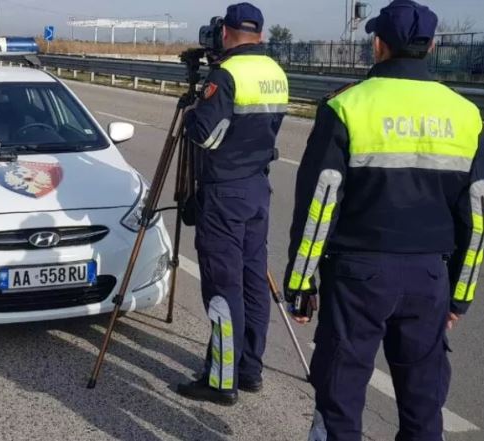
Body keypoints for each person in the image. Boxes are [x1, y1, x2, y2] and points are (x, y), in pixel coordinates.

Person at [282, 1, 484, 439]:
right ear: (430, 46)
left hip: (358, 277)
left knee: (339, 402)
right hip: (429, 278)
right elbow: (477, 215)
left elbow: (320, 206)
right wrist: (459, 296)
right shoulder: (465, 115)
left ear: (378, 44)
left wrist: (300, 282)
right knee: (422, 407)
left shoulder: (346, 106)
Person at [176, 2, 289, 406]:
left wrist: (191, 114)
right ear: (259, 33)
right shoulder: (275, 72)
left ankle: (222, 379)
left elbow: (204, 135)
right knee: (253, 279)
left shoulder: (226, 75)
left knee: (224, 288)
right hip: (258, 186)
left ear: (225, 32)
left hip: (225, 191)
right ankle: (249, 368)